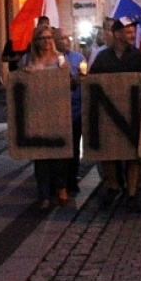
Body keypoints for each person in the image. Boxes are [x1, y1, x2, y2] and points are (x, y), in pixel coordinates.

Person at [88, 17, 141, 211]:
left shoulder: (139, 57)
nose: (132, 34)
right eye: (128, 31)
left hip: (133, 116)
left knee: (133, 155)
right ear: (117, 34)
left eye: (133, 31)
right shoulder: (103, 58)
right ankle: (114, 186)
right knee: (108, 153)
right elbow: (92, 82)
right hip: (108, 116)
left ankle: (132, 194)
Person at [17, 25, 70, 211]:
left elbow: (69, 84)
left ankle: (61, 186)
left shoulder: (60, 59)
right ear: (36, 41)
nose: (45, 41)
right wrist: (26, 75)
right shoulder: (27, 60)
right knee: (40, 156)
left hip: (56, 111)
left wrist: (67, 74)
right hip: (37, 112)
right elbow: (19, 84)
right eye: (41, 38)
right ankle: (44, 194)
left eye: (48, 38)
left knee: (57, 155)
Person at [56, 30, 86, 196]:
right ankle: (59, 182)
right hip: (56, 111)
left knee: (74, 148)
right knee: (59, 149)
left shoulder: (78, 58)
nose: (65, 41)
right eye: (61, 38)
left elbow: (84, 79)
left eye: (67, 38)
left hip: (75, 110)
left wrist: (80, 79)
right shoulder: (51, 58)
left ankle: (72, 179)